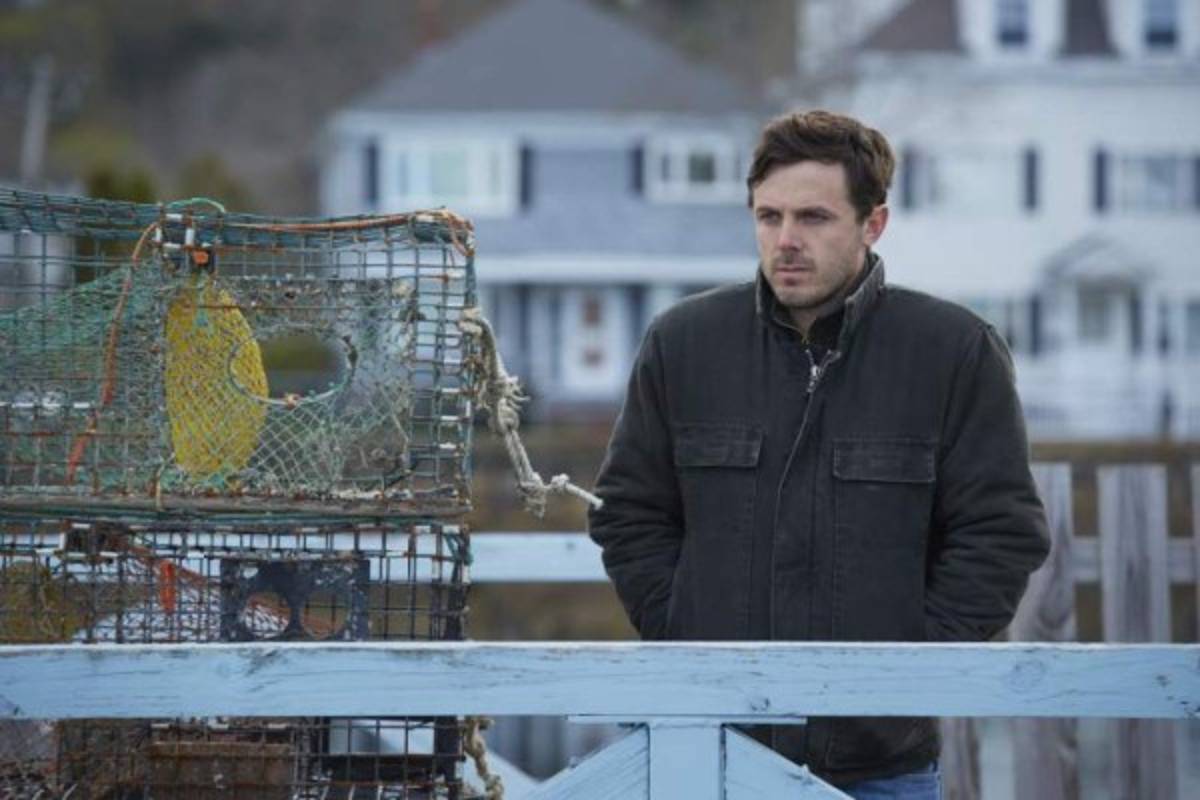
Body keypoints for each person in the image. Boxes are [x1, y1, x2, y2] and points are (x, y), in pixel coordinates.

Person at [587, 109, 1050, 797]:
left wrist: (904, 669)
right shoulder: (682, 344)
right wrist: (680, 621)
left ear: (874, 224)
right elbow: (628, 515)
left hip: (878, 764)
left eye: (813, 217)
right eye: (769, 217)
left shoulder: (953, 351)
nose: (786, 241)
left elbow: (1001, 534)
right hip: (696, 748)